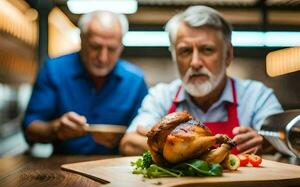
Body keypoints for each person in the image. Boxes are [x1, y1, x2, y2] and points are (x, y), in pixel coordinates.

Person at [120, 6, 283, 156]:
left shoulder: (256, 96)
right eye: (185, 51)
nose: (195, 62)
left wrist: (268, 142)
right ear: (174, 57)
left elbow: (289, 135)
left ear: (228, 55)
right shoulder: (161, 96)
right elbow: (129, 144)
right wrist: (187, 150)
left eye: (207, 50)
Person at [22, 10, 148, 155]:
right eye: (95, 47)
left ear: (121, 46)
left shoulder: (135, 80)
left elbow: (144, 131)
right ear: (82, 39)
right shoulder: (54, 71)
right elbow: (29, 128)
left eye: (112, 49)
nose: (103, 57)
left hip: (116, 168)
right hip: (62, 168)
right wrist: (55, 129)